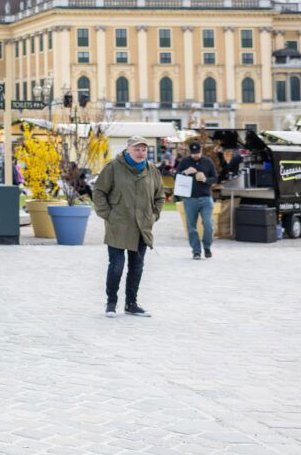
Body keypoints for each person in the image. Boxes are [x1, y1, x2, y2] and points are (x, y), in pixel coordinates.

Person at [93, 136, 164, 318]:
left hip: (142, 226)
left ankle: (131, 304)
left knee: (137, 266)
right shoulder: (113, 167)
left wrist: (153, 216)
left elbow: (160, 196)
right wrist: (107, 214)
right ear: (128, 149)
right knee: (116, 265)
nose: (140, 153)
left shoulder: (152, 170)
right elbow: (99, 191)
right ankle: (111, 303)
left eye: (143, 150)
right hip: (118, 224)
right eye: (136, 149)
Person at [177, 142, 216, 260]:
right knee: (191, 226)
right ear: (190, 152)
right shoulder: (184, 162)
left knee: (208, 224)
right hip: (189, 199)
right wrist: (185, 172)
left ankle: (207, 246)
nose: (195, 155)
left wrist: (205, 179)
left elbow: (215, 178)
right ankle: (196, 251)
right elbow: (176, 176)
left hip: (206, 198)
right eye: (193, 153)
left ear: (201, 150)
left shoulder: (208, 162)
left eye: (197, 153)